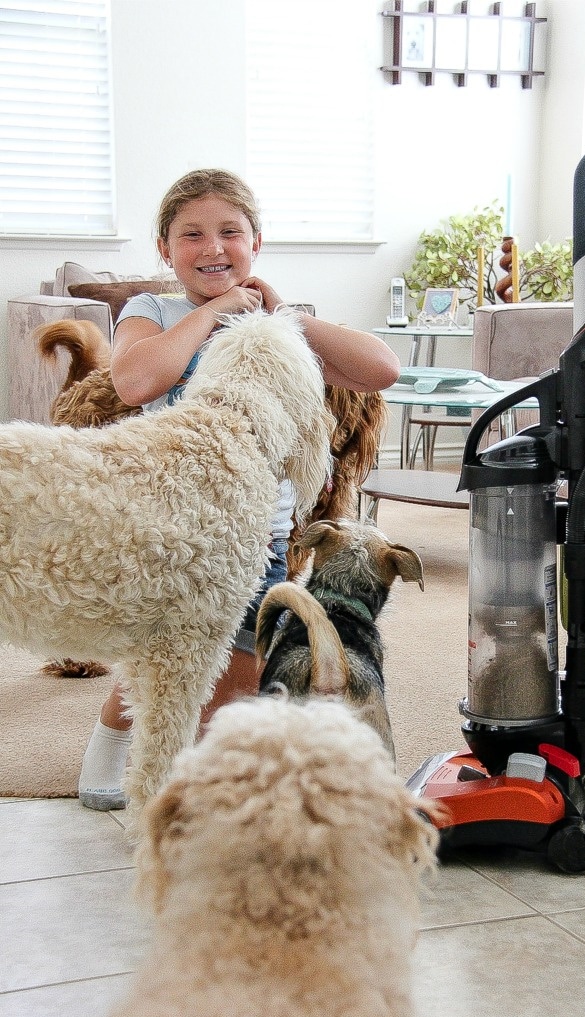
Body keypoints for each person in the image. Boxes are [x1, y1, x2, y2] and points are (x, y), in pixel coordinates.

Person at [78, 168, 400, 810]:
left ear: (257, 242)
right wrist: (220, 311)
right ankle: (119, 756)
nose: (213, 248)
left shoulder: (279, 322)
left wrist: (281, 317)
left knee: (243, 669)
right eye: (191, 235)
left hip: (257, 530)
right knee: (168, 656)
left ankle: (197, 781)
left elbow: (380, 368)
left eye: (230, 232)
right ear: (165, 251)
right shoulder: (153, 312)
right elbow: (138, 380)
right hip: (168, 523)